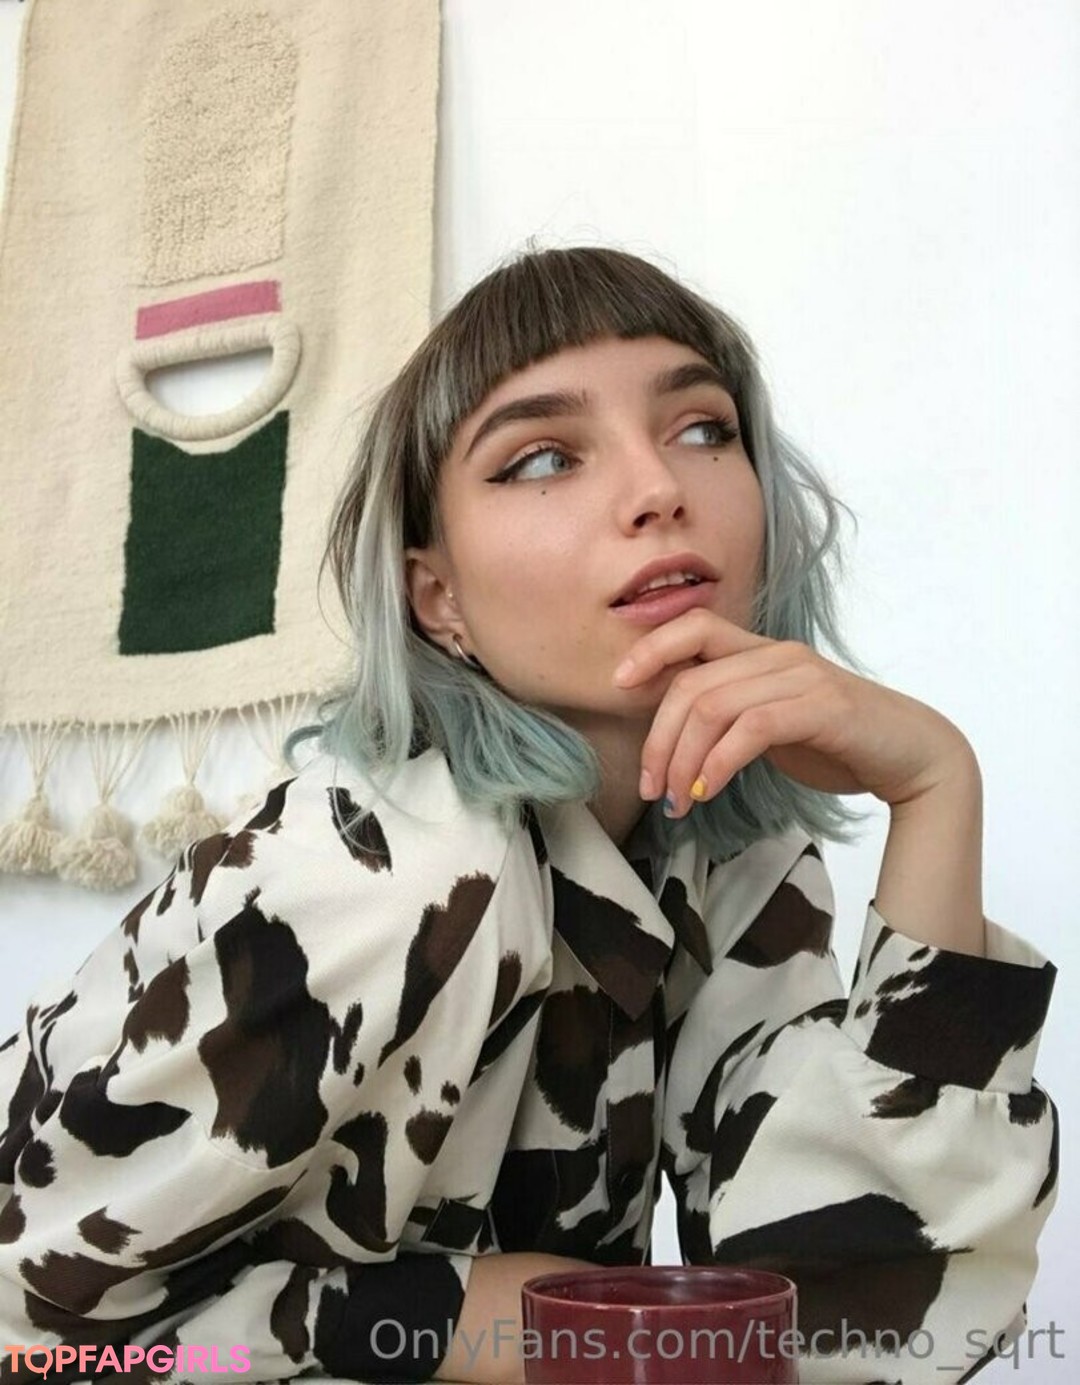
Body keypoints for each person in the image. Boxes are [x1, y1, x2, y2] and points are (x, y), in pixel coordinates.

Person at [0, 245, 1057, 1385]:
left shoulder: (727, 844)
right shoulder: (387, 877)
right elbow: (36, 1332)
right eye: (544, 456)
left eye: (703, 428)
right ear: (438, 597)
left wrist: (935, 789)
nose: (658, 488)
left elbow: (849, 1320)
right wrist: (489, 1316)